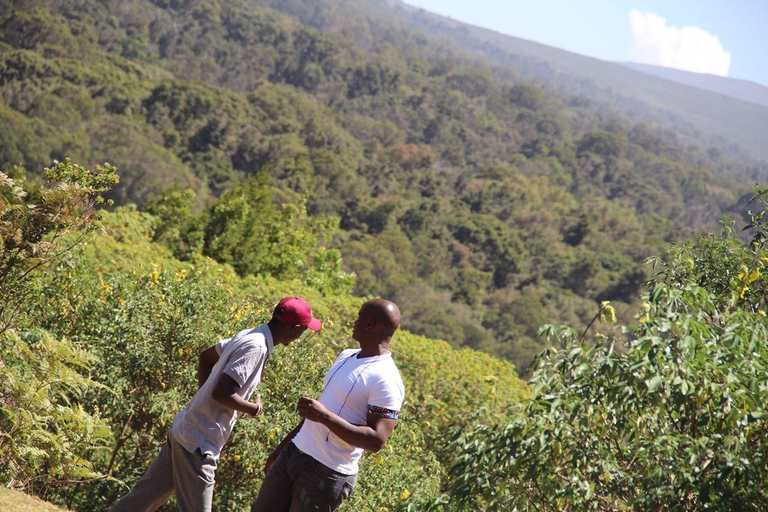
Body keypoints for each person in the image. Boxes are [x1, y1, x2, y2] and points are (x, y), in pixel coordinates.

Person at [110, 297, 322, 512]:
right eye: (304, 329)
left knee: (141, 500)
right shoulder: (256, 347)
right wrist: (253, 408)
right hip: (199, 442)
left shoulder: (250, 334)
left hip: (186, 429)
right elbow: (222, 393)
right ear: (295, 330)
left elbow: (206, 357)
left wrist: (203, 399)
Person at [251, 299, 405, 512]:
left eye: (359, 317)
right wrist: (283, 449)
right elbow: (318, 411)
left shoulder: (386, 379)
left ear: (369, 324)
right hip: (295, 453)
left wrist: (324, 417)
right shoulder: (346, 356)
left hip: (327, 473)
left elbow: (376, 440)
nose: (354, 321)